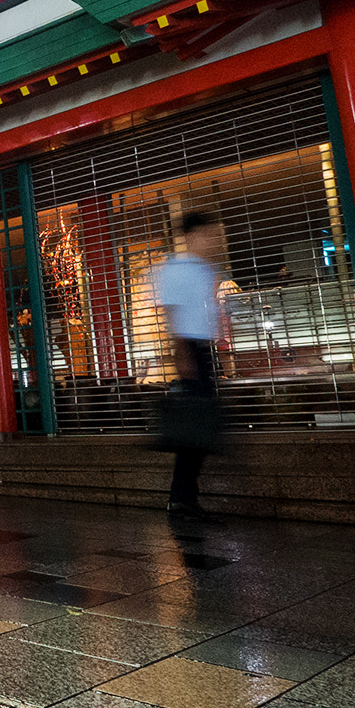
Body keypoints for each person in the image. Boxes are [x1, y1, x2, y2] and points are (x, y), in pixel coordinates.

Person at [153, 210, 227, 517]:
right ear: (193, 235)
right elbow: (172, 315)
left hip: (204, 351)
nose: (213, 241)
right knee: (194, 429)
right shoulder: (176, 269)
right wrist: (182, 357)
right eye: (209, 234)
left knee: (199, 428)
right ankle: (182, 498)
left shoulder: (206, 270)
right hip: (190, 352)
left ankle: (184, 497)